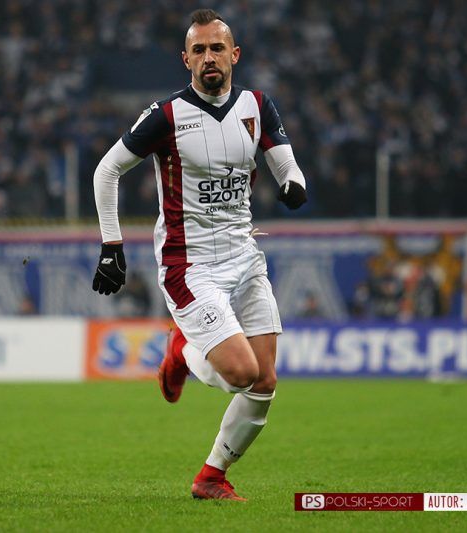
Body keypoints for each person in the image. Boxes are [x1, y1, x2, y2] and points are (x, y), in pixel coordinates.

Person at [91, 9, 307, 501]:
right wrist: (111, 245)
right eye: (199, 50)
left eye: (217, 48)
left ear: (235, 55)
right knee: (241, 373)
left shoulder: (257, 105)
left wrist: (294, 185)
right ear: (185, 59)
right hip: (189, 265)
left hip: (244, 255)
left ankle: (212, 476)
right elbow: (107, 171)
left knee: (265, 382)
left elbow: (286, 163)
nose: (209, 57)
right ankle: (183, 352)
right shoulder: (166, 115)